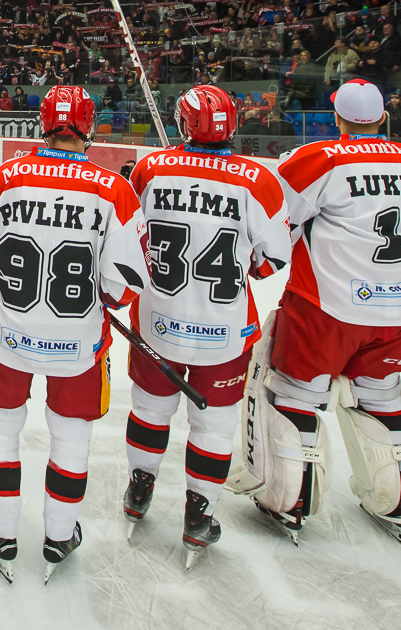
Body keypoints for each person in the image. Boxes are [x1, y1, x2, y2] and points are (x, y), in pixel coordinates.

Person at [234, 79, 401, 545]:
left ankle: (290, 498)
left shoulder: (320, 158)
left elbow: (276, 219)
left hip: (327, 307)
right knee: (382, 396)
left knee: (295, 393)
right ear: (382, 117)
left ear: (336, 117)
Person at [0, 85, 150, 584]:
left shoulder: (10, 176)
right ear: (88, 126)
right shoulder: (114, 189)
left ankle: (0, 532)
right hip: (79, 342)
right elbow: (124, 284)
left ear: (43, 123)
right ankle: (58, 535)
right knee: (71, 437)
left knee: (1, 431)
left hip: (8, 334)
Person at [121, 86, 291, 570]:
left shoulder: (151, 169)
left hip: (158, 323)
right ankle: (199, 515)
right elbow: (273, 259)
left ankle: (139, 490)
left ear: (183, 123)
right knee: (213, 427)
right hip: (225, 331)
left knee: (149, 411)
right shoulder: (259, 180)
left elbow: (132, 240)